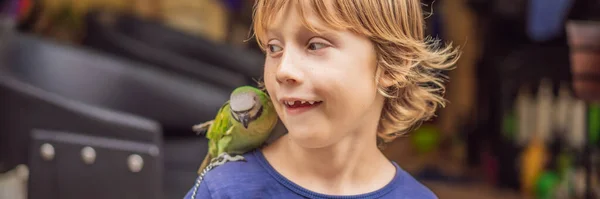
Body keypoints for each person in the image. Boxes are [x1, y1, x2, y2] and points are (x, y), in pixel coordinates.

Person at [184, 0, 459, 198]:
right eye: (274, 47)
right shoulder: (224, 189)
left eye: (315, 45)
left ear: (392, 65)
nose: (283, 70)